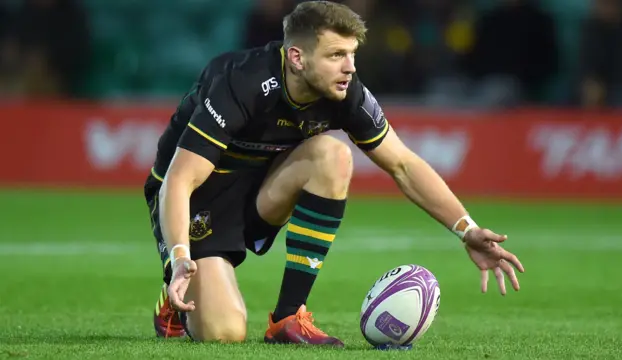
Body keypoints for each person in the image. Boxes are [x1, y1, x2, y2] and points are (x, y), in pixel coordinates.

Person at [145, 1, 525, 346]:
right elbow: (179, 181)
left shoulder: (345, 92)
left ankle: (289, 316)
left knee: (333, 156)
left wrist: (467, 229)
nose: (350, 67)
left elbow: (404, 164)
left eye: (352, 54)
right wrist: (179, 259)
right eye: (336, 55)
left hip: (259, 189)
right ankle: (176, 301)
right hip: (196, 198)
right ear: (296, 57)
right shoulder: (240, 81)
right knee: (224, 334)